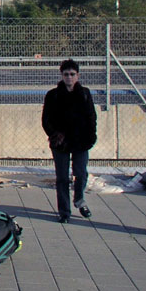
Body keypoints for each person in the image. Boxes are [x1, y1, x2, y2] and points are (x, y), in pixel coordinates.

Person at [42, 58, 97, 223]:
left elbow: (91, 117)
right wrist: (54, 135)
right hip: (61, 142)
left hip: (80, 141)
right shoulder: (53, 95)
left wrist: (90, 136)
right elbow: (46, 119)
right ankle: (64, 212)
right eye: (66, 74)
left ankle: (79, 200)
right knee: (62, 178)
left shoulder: (85, 94)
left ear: (78, 75)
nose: (69, 77)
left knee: (80, 173)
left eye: (72, 74)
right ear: (61, 75)